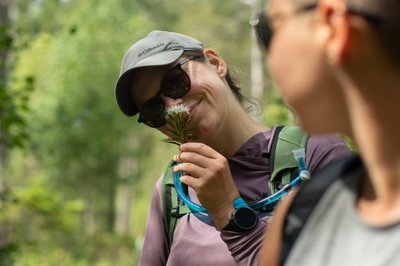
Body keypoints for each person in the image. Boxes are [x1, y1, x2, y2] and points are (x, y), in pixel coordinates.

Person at [114, 30, 350, 266]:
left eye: (175, 82)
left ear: (216, 63)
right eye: (153, 110)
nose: (171, 104)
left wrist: (228, 210)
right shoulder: (173, 191)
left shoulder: (313, 155)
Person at [255, 0, 400, 265]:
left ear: (333, 28)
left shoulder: (303, 215)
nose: (270, 57)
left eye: (269, 29)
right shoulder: (300, 212)